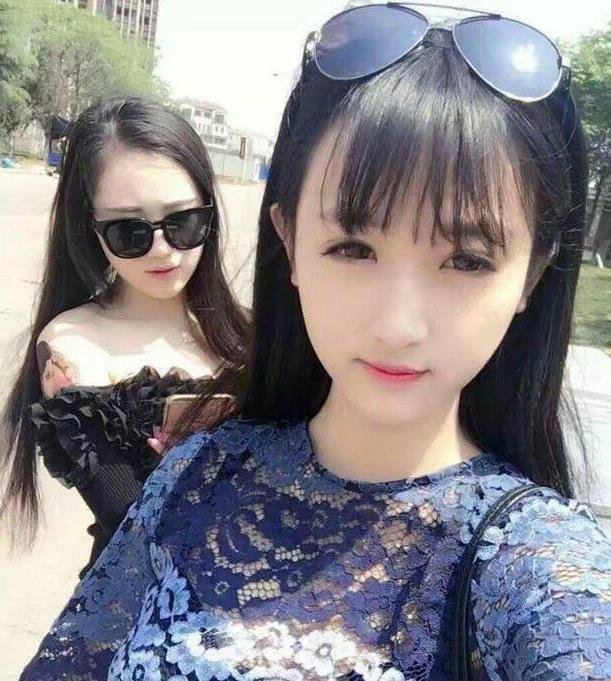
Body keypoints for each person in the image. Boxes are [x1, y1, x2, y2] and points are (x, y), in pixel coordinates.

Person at [21, 5, 611, 680]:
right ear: (290, 239)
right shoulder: (197, 474)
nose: (398, 326)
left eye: (467, 260)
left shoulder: (535, 565)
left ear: (531, 275)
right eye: (353, 248)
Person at [1, 97, 248, 576]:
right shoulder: (74, 347)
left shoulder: (250, 333)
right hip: (140, 602)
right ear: (91, 228)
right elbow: (132, 521)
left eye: (182, 222)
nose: (162, 250)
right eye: (129, 231)